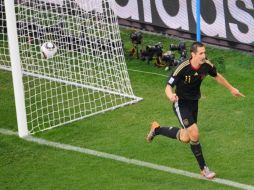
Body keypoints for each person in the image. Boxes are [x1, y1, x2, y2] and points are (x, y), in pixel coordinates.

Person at [146, 42, 245, 179]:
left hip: (193, 104)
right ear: (193, 55)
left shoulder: (206, 65)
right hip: (180, 103)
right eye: (201, 53)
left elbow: (217, 76)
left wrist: (232, 89)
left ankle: (156, 129)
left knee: (186, 137)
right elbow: (168, 86)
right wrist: (170, 96)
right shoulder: (182, 68)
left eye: (204, 53)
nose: (204, 56)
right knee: (195, 133)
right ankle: (204, 169)